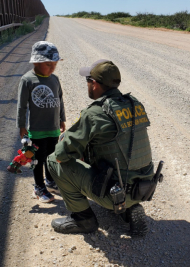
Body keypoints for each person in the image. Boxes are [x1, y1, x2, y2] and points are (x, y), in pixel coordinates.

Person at [46, 59, 155, 236]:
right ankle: (129, 208)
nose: (87, 85)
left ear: (95, 84)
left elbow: (61, 154)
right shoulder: (134, 103)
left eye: (88, 81)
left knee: (53, 160)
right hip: (143, 186)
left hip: (116, 190)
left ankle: (83, 220)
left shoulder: (96, 113)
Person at [16, 41, 66, 203]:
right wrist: (22, 126)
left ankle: (50, 182)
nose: (52, 68)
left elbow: (60, 100)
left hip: (53, 129)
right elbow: (22, 106)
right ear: (36, 62)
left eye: (55, 64)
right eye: (48, 64)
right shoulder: (28, 80)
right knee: (37, 160)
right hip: (37, 130)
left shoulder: (55, 79)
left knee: (51, 157)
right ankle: (38, 187)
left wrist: (62, 118)